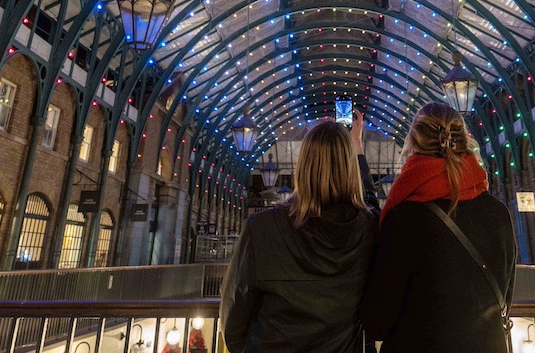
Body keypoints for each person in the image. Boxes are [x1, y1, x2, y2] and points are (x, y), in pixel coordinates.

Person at [360, 103, 517, 353]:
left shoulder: (405, 219)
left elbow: (377, 322)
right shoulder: (498, 213)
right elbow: (504, 297)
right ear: (464, 141)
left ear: (413, 145)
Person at [220, 111, 379, 353]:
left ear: (303, 166)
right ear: (351, 171)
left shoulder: (261, 228)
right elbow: (370, 203)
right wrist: (356, 147)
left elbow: (233, 319)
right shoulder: (367, 229)